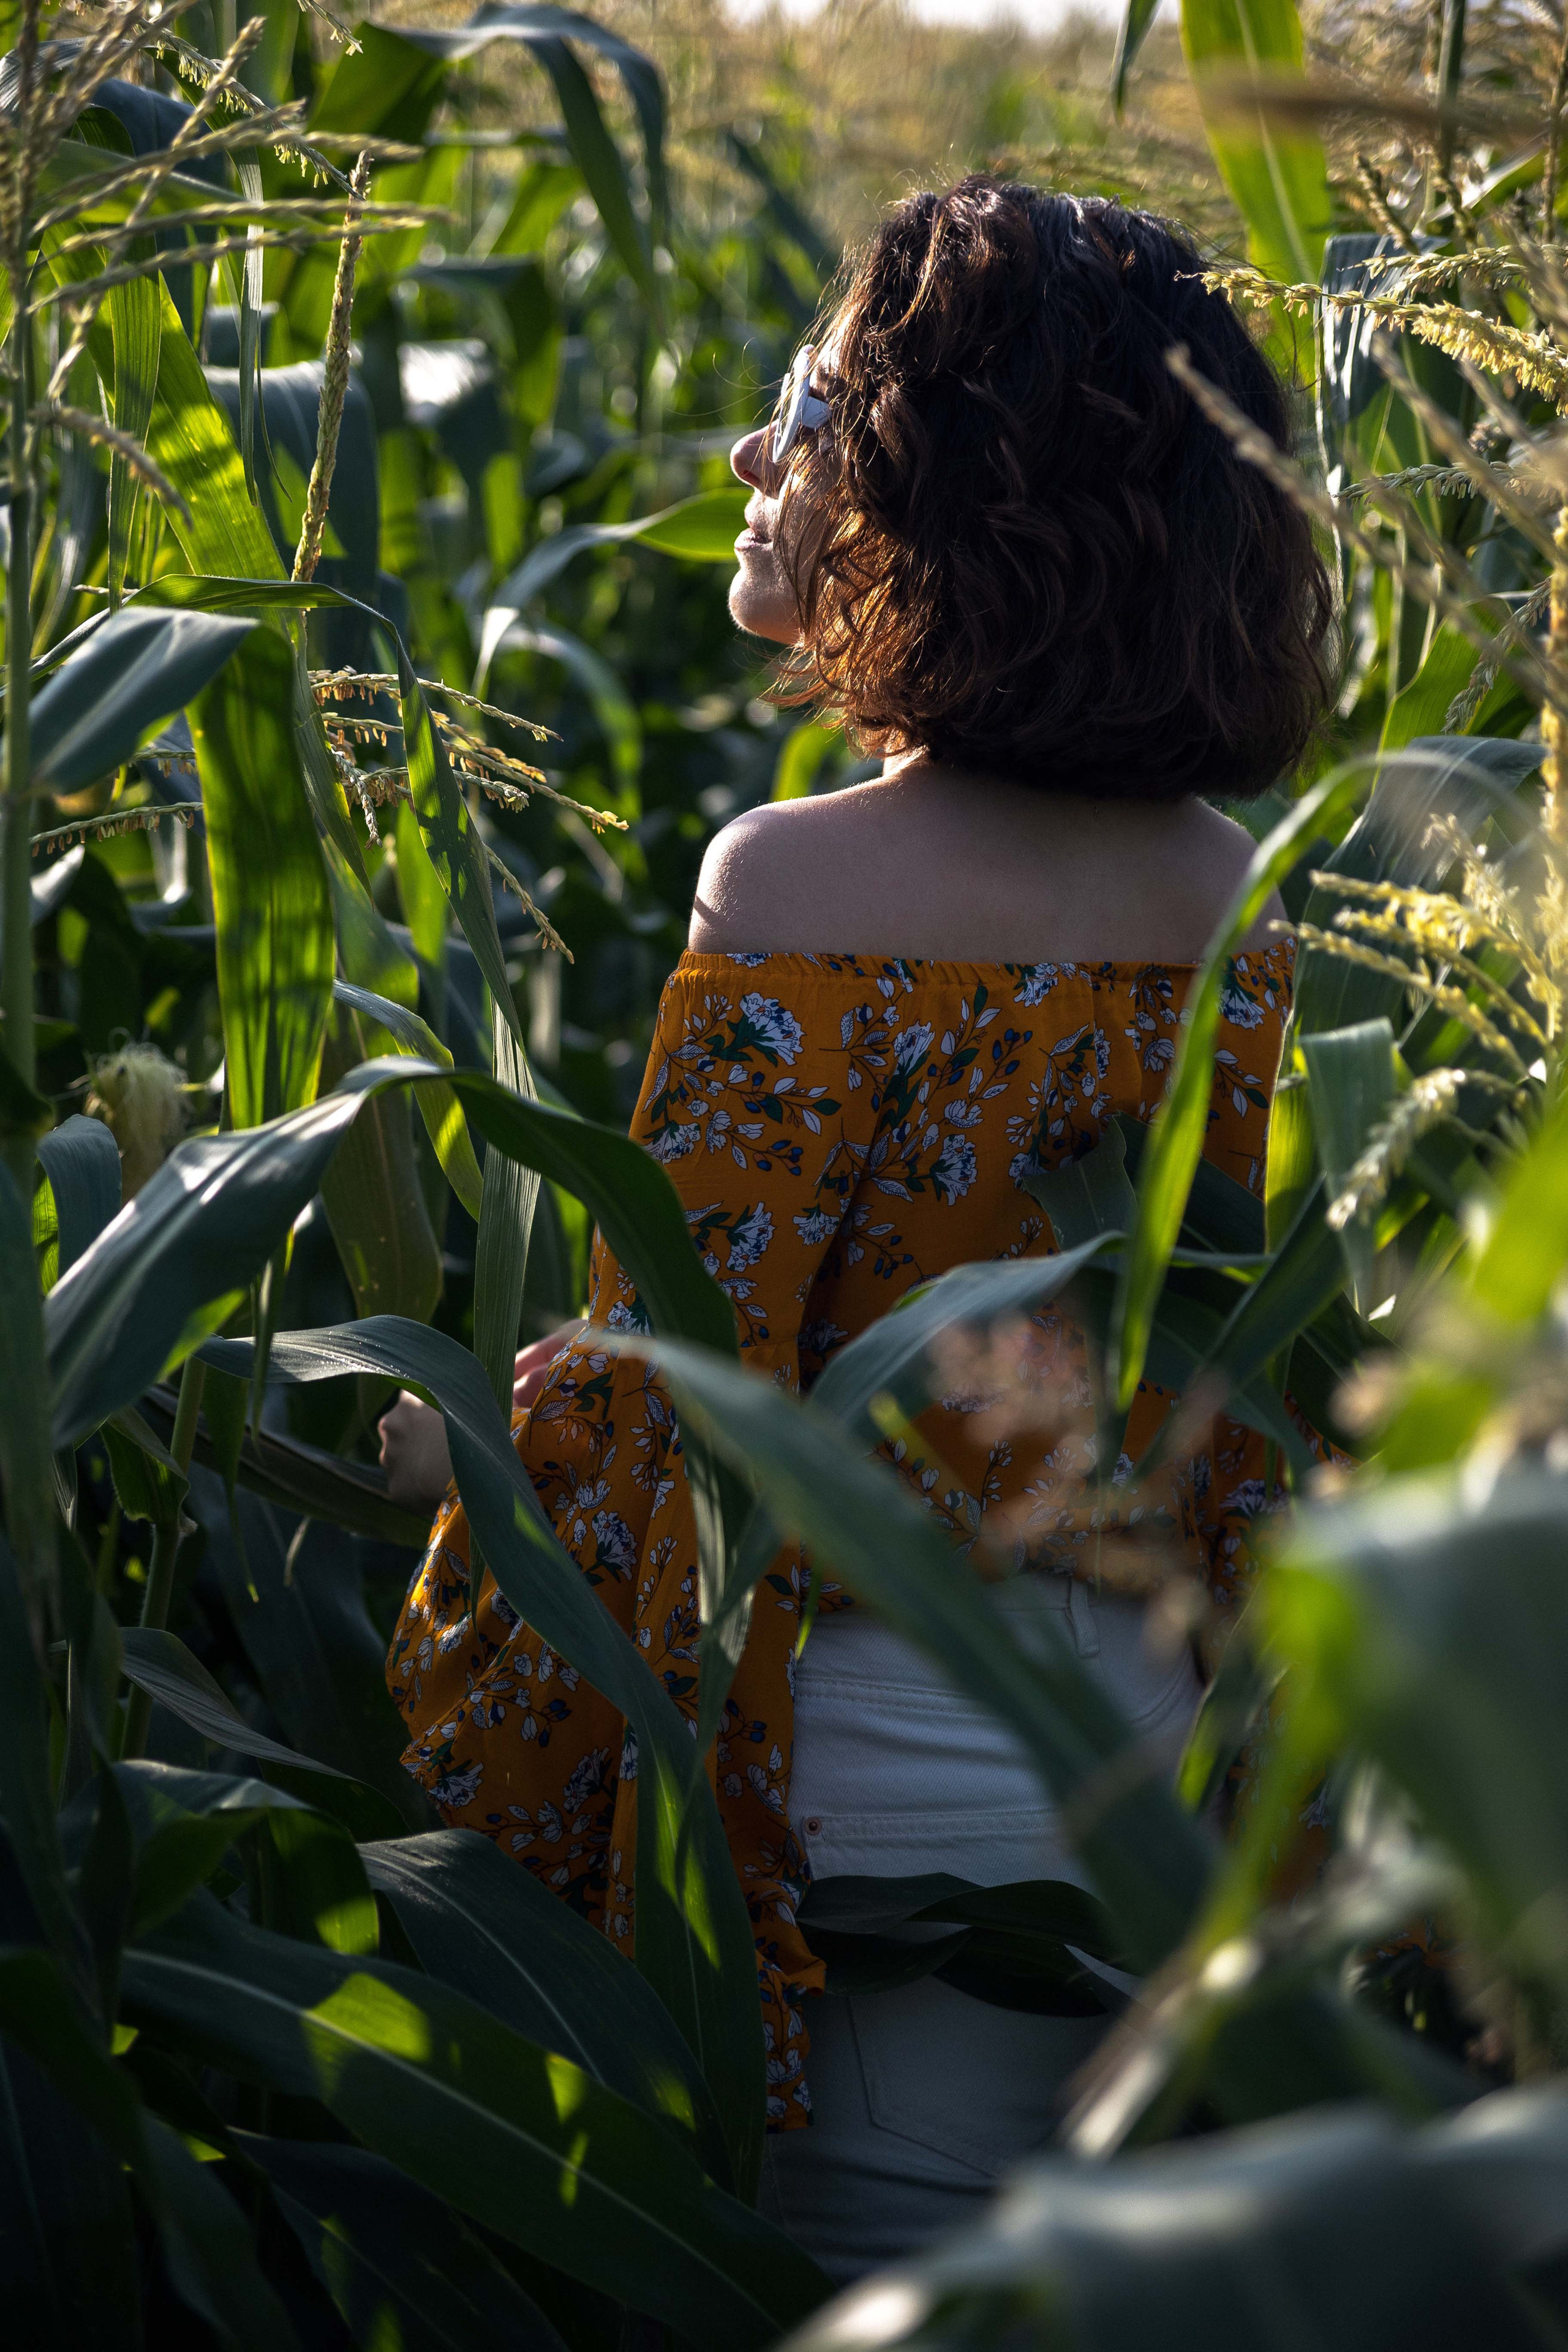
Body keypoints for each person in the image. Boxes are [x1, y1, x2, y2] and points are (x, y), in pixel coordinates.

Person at [380, 176, 1333, 2283]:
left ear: (946, 489)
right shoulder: (1247, 895)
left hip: (871, 1800)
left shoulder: (795, 891)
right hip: (1163, 1782)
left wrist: (450, 1458)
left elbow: (687, 1434)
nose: (749, 458)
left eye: (804, 408)